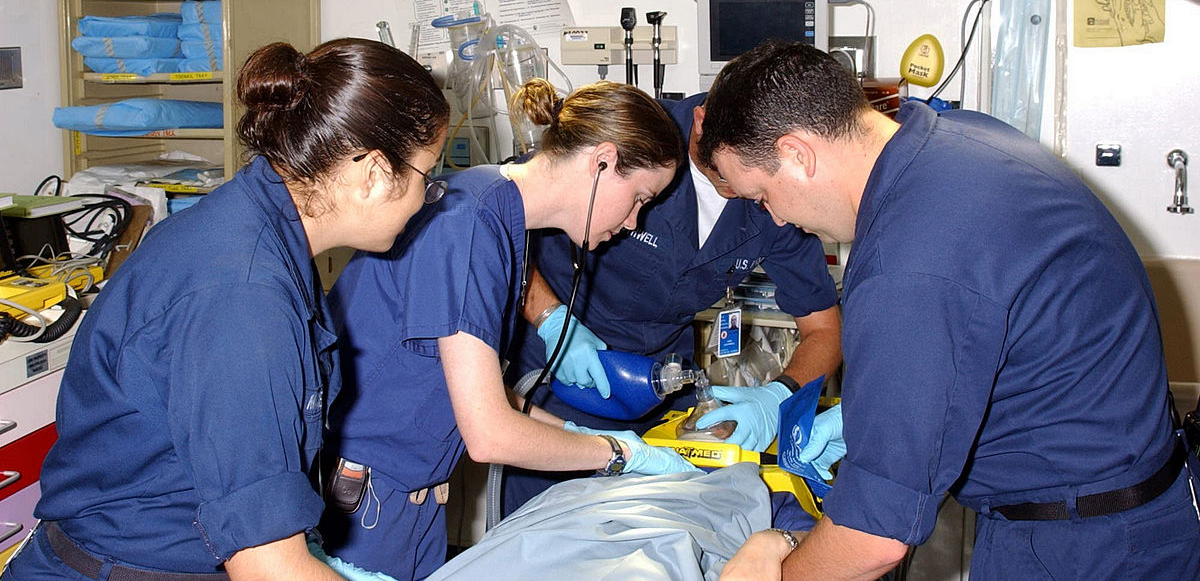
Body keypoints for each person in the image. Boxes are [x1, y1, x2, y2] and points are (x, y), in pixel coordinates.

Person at [699, 40, 1200, 580]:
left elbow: (874, 542)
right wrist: (867, 418)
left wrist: (781, 564)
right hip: (1138, 493)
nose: (773, 220)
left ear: (798, 154)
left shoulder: (908, 262)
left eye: (761, 195)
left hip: (1085, 545)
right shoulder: (956, 138)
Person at [2, 39, 450, 580]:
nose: (429, 197)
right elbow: (267, 568)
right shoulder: (245, 297)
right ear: (375, 173)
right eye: (427, 177)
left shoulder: (252, 221)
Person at [318, 78, 698, 581]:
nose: (633, 222)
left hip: (412, 501)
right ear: (602, 161)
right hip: (365, 506)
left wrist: (576, 432)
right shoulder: (469, 224)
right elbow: (489, 434)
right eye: (638, 198)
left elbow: (475, 391)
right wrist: (618, 454)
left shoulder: (498, 217)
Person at [503, 92, 841, 517]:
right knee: (547, 540)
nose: (753, 194)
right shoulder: (638, 141)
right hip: (562, 378)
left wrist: (778, 397)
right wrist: (552, 319)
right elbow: (507, 225)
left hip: (661, 391)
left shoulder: (770, 182)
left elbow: (824, 330)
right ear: (700, 124)